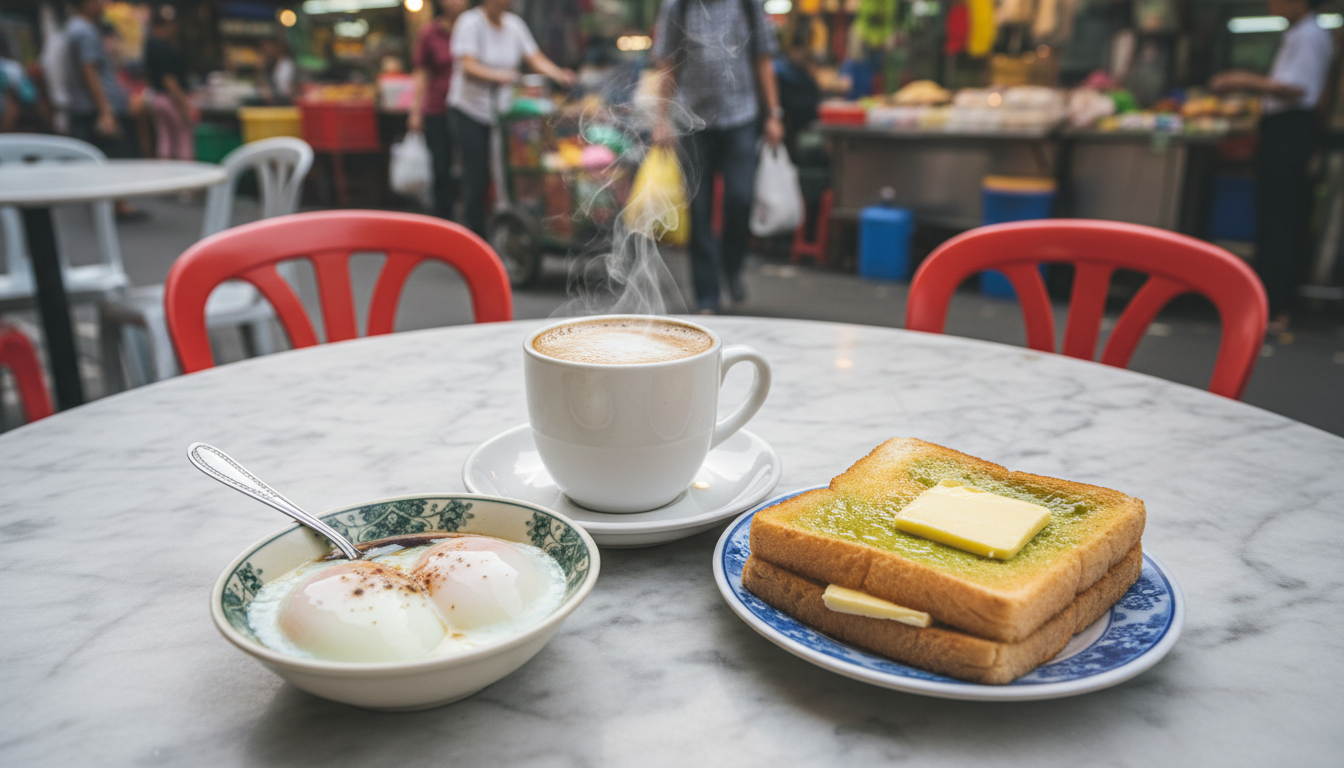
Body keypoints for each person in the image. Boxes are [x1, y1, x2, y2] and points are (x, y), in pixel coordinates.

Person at [651, 0, 784, 314]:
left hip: (741, 118)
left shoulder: (747, 5)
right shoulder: (677, 7)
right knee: (699, 212)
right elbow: (668, 64)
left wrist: (774, 114)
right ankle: (707, 296)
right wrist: (661, 119)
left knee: (741, 198)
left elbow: (763, 59)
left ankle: (732, 267)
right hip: (693, 123)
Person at [1212, 0, 1333, 332]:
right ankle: (1271, 303)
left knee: (1280, 218)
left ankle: (1274, 306)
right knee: (1276, 217)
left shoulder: (1310, 35)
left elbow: (1297, 88)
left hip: (1291, 131)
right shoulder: (1300, 34)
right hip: (1284, 130)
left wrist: (1243, 79)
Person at [448, 0, 575, 236]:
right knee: (477, 177)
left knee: (509, 171)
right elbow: (467, 65)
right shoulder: (470, 23)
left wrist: (559, 75)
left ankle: (506, 226)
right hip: (470, 110)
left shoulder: (515, 25)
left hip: (502, 114)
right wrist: (498, 75)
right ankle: (475, 234)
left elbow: (534, 57)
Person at [409, 0, 467, 221]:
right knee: (441, 167)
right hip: (436, 110)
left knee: (469, 168)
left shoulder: (472, 28)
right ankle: (444, 220)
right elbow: (422, 73)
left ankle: (472, 221)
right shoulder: (429, 33)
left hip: (466, 111)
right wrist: (415, 111)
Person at [143, 6, 195, 160]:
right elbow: (169, 81)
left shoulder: (150, 44)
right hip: (168, 98)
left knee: (165, 140)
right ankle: (187, 179)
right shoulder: (163, 47)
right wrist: (184, 105)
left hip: (156, 98)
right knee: (183, 136)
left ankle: (163, 176)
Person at [257, 38, 296, 104]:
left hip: (284, 98)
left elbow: (289, 83)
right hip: (272, 98)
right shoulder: (270, 62)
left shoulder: (287, 63)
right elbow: (262, 80)